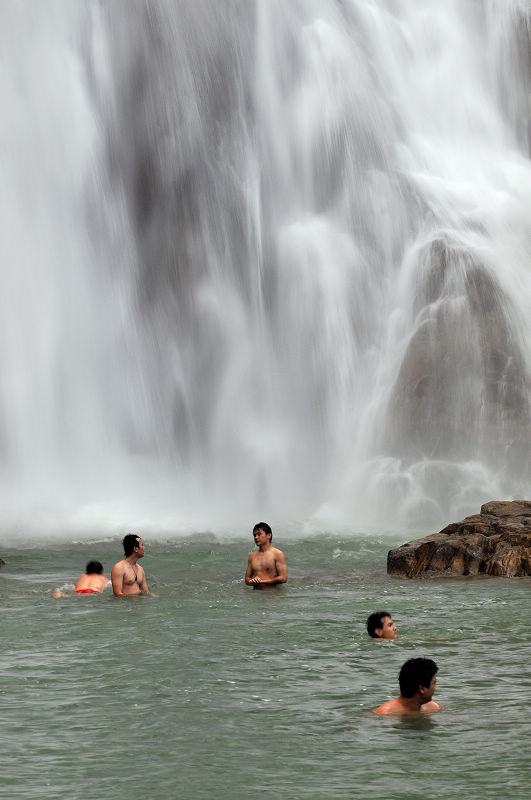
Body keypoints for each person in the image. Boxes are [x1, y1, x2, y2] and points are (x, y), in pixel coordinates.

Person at [372, 657, 443, 715]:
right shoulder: (385, 714)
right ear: (422, 688)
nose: (435, 688)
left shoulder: (434, 707)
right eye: (434, 683)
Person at [245, 522, 287, 589]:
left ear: (269, 535)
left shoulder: (278, 554)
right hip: (255, 596)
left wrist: (263, 581)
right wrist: (252, 581)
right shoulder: (252, 556)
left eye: (259, 534)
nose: (256, 537)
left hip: (272, 596)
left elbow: (283, 578)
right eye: (254, 535)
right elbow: (247, 579)